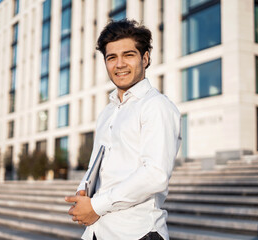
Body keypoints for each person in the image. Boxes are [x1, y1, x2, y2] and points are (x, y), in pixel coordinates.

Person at [65, 19, 181, 240]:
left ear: (145, 58)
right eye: (111, 57)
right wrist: (84, 192)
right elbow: (95, 167)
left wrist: (95, 206)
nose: (119, 64)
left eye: (128, 55)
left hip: (137, 233)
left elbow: (155, 175)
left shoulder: (156, 106)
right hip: (97, 232)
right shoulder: (107, 112)